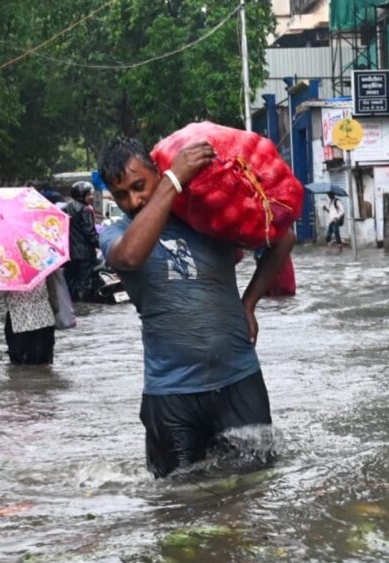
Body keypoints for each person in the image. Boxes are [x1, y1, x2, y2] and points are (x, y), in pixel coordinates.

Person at [97, 136, 296, 478]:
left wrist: (248, 304)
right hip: (171, 395)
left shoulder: (205, 218)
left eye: (140, 186)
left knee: (255, 488)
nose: (134, 200)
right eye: (121, 195)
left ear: (157, 170)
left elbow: (283, 238)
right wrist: (173, 181)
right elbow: (130, 256)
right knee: (177, 503)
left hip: (238, 379)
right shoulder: (117, 234)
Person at [0, 271, 75, 365]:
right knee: (44, 363)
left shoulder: (8, 268)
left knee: (19, 365)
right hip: (44, 318)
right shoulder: (42, 264)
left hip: (18, 321)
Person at [64, 181, 101, 301]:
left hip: (70, 254)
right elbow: (90, 233)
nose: (91, 197)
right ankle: (83, 309)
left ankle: (73, 307)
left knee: (71, 282)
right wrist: (103, 243)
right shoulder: (85, 210)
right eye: (89, 194)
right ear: (81, 195)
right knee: (84, 285)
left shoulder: (66, 208)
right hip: (85, 255)